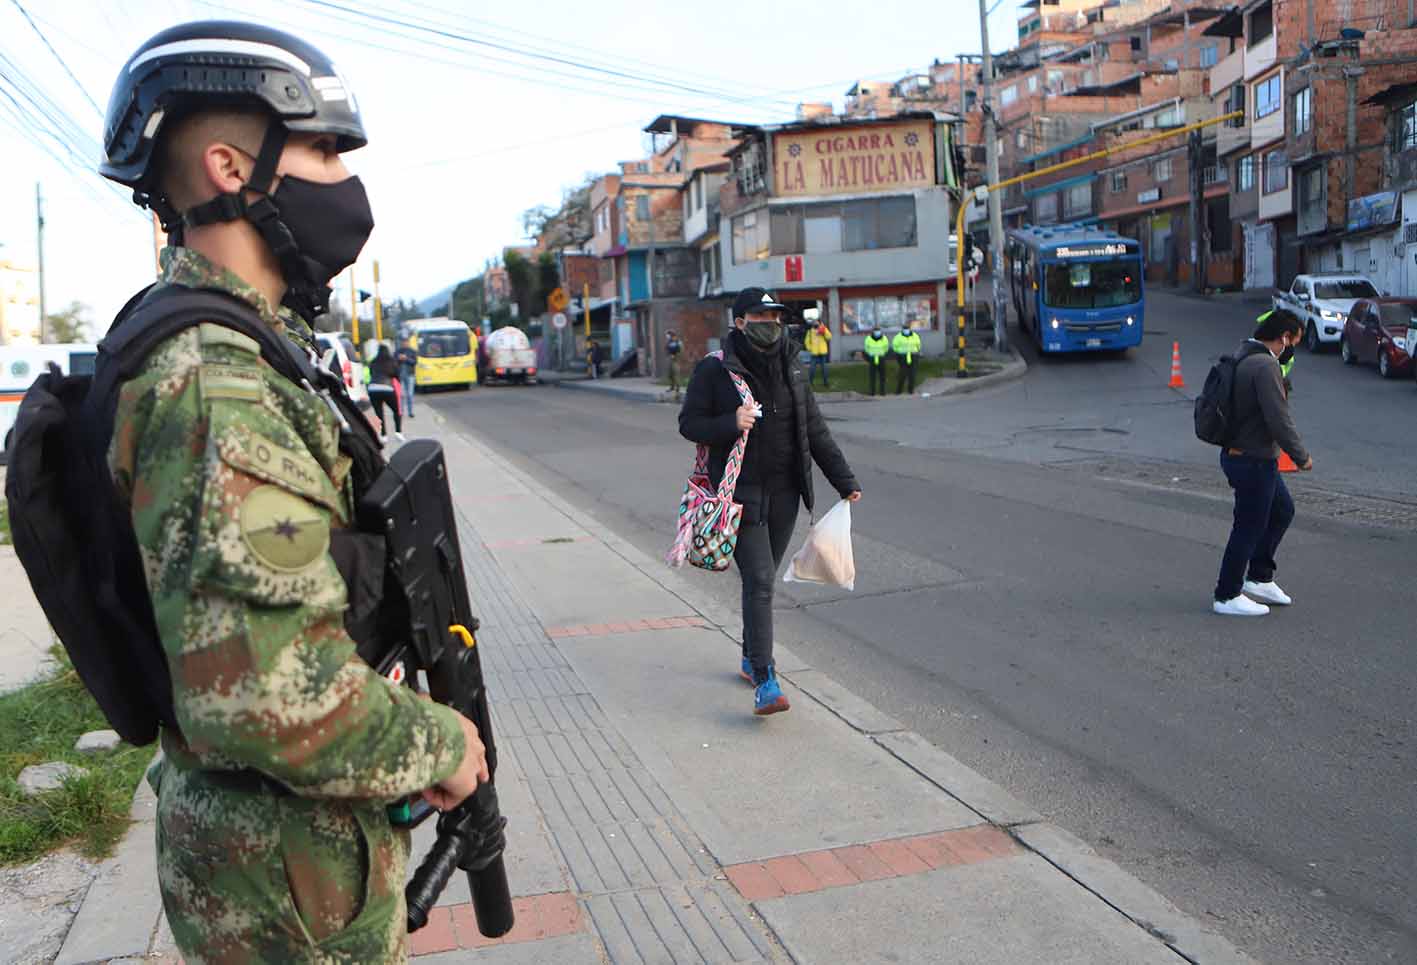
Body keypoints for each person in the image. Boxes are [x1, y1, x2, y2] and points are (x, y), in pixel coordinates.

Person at [96, 22, 489, 961]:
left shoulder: (240, 348)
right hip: (286, 885)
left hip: (279, 861)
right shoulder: (216, 386)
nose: (342, 179)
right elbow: (273, 695)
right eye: (319, 148)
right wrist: (442, 746)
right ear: (233, 168)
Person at [679, 287, 861, 715]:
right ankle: (766, 678)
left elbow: (813, 429)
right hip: (737, 497)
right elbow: (689, 423)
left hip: (785, 495)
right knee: (760, 582)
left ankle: (748, 656)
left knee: (760, 583)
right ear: (739, 322)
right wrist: (730, 422)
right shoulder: (715, 371)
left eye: (776, 316)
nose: (771, 324)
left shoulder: (793, 367)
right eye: (761, 317)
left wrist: (843, 479)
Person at [1213, 309, 1313, 617]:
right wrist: (1301, 456)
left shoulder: (1244, 354)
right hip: (1252, 460)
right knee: (1248, 526)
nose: (1292, 348)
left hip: (1246, 457)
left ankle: (1259, 577)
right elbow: (1279, 419)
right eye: (1293, 342)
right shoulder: (1265, 366)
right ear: (1283, 338)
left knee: (1282, 510)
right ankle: (1227, 594)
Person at [369, 342, 404, 442]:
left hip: (373, 388)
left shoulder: (373, 361)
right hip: (387, 388)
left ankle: (383, 436)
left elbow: (371, 373)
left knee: (379, 413)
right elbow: (396, 374)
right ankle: (398, 432)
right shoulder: (391, 361)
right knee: (396, 411)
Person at [892, 326, 922, 395]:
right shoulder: (898, 337)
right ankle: (899, 390)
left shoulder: (915, 336)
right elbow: (895, 346)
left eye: (907, 329)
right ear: (902, 329)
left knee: (912, 374)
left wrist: (916, 351)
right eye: (905, 329)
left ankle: (910, 390)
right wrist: (899, 353)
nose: (906, 330)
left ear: (910, 329)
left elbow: (918, 345)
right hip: (902, 356)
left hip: (913, 356)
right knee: (902, 374)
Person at [804, 312, 831, 388]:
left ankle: (826, 382)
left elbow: (829, 337)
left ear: (819, 323)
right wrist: (810, 348)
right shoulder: (810, 331)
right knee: (812, 369)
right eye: (814, 322)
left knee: (824, 369)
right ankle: (810, 383)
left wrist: (824, 331)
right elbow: (806, 341)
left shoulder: (823, 329)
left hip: (823, 352)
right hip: (814, 353)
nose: (815, 323)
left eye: (816, 322)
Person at [863, 326, 890, 396]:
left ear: (880, 331)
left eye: (878, 330)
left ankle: (882, 392)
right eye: (875, 330)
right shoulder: (868, 339)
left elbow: (886, 348)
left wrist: (882, 353)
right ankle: (872, 392)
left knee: (882, 376)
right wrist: (870, 355)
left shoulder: (884, 338)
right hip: (872, 358)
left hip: (881, 358)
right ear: (873, 331)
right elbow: (866, 348)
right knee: (872, 376)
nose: (877, 332)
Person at [396, 336, 418, 417]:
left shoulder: (412, 351)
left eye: (406, 342)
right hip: (400, 375)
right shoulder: (398, 351)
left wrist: (406, 359)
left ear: (408, 343)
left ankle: (410, 412)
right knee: (401, 394)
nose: (405, 344)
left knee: (410, 394)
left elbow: (415, 362)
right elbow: (394, 362)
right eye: (403, 342)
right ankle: (401, 412)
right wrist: (398, 359)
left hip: (410, 375)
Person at [665, 329, 683, 397]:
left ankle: (678, 389)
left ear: (672, 335)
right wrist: (668, 354)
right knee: (670, 374)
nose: (667, 336)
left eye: (668, 335)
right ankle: (672, 387)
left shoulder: (678, 342)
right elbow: (666, 349)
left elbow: (681, 350)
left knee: (676, 373)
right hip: (670, 359)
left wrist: (675, 356)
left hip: (676, 360)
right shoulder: (669, 342)